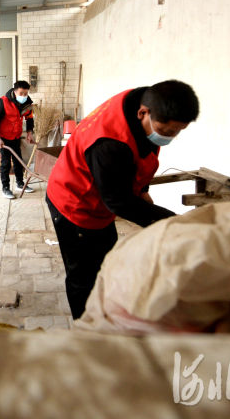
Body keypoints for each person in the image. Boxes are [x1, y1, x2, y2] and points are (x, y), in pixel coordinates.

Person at [45, 80, 199, 319]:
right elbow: (118, 201)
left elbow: (139, 155)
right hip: (74, 202)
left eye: (177, 132)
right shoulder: (110, 143)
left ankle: (104, 306)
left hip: (99, 195)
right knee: (82, 275)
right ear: (143, 113)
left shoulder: (138, 101)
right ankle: (87, 331)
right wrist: (170, 223)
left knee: (105, 257)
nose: (170, 137)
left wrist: (143, 189)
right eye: (167, 131)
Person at [0, 80, 35, 199]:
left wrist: (30, 132)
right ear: (15, 92)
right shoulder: (4, 102)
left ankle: (20, 183)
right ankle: (5, 188)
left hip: (15, 136)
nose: (24, 96)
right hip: (4, 138)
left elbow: (29, 119)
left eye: (26, 93)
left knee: (18, 160)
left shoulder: (27, 103)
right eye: (21, 93)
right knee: (5, 163)